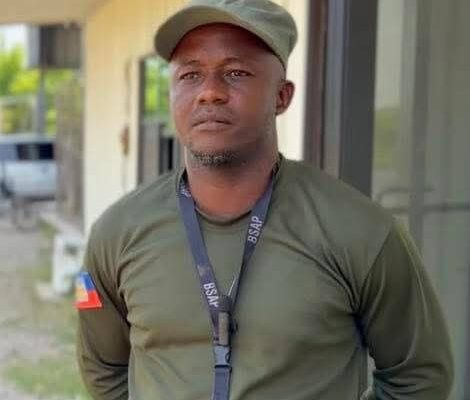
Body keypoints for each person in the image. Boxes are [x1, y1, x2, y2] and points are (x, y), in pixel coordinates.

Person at [76, 1, 454, 399]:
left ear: (282, 96)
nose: (209, 92)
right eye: (190, 75)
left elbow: (419, 378)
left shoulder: (360, 232)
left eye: (236, 72)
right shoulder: (117, 234)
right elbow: (104, 371)